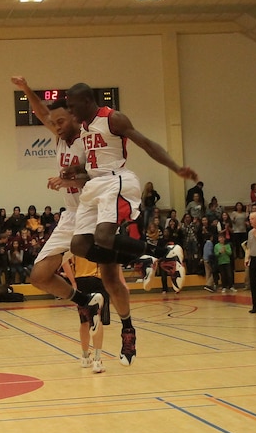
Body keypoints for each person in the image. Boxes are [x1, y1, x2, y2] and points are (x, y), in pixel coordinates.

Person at [63, 82, 198, 366]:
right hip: (94, 187)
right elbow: (93, 165)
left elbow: (146, 144)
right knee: (79, 244)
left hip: (116, 181)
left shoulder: (113, 118)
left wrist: (175, 168)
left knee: (103, 236)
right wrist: (76, 170)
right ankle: (155, 258)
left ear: (87, 100)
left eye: (73, 104)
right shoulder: (85, 128)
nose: (70, 110)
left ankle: (160, 253)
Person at [10, 78, 104, 329]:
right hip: (71, 216)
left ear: (75, 117)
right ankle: (85, 301)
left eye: (61, 121)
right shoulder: (61, 137)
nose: (56, 126)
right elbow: (42, 113)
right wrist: (26, 89)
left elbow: (97, 179)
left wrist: (69, 181)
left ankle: (154, 257)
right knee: (39, 276)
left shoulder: (90, 140)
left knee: (109, 264)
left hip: (91, 213)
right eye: (54, 123)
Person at [63, 251, 108, 373]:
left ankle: (84, 357)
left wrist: (73, 282)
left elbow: (64, 260)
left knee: (84, 321)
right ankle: (97, 360)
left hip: (81, 281)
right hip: (97, 280)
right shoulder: (99, 239)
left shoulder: (75, 240)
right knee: (97, 320)